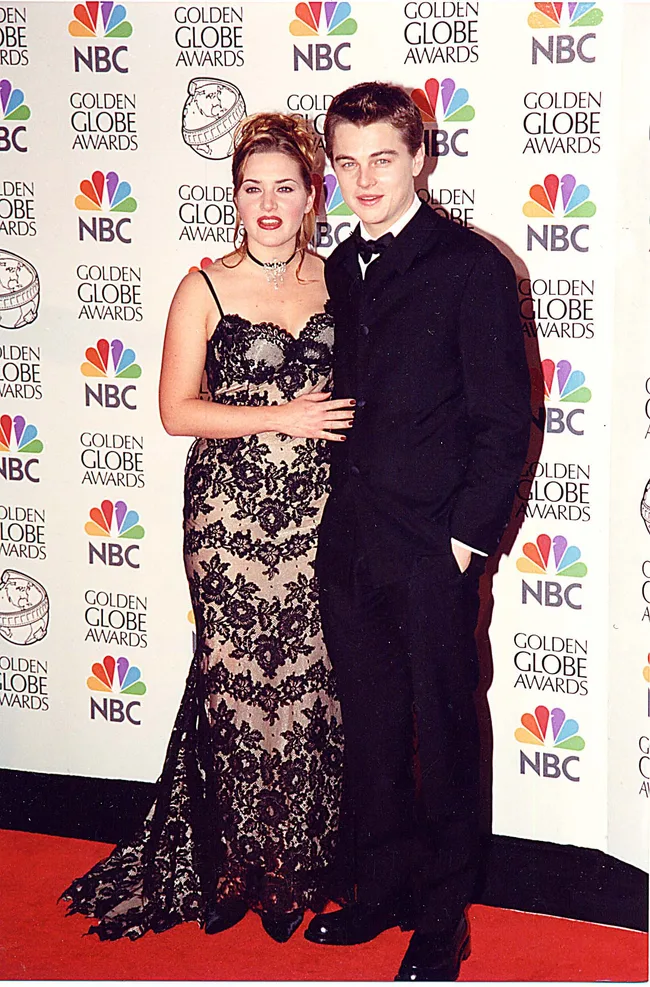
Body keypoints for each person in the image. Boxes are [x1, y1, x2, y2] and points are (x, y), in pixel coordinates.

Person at [62, 112, 354, 944]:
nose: (268, 203)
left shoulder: (342, 280)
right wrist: (281, 415)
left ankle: (295, 866)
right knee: (235, 680)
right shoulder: (204, 287)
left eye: (285, 187)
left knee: (312, 684)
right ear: (234, 196)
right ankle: (231, 864)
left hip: (323, 514)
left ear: (313, 195)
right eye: (252, 187)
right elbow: (175, 410)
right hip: (228, 517)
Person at [303, 83, 531, 980]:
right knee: (370, 727)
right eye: (347, 162)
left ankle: (442, 919)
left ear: (420, 159)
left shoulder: (472, 266)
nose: (363, 180)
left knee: (443, 731)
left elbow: (505, 422)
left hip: (434, 548)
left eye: (382, 160)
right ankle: (383, 887)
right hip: (352, 544)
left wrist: (465, 543)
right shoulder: (339, 267)